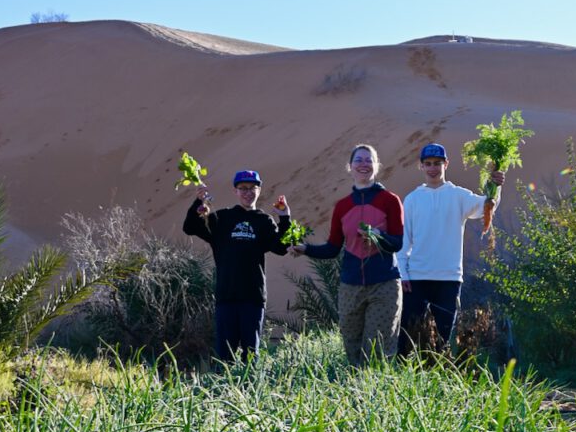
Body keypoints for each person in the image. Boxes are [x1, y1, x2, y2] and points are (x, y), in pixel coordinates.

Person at [289, 144, 403, 365]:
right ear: (350, 166)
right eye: (358, 160)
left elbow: (397, 243)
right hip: (350, 286)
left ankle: (376, 386)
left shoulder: (390, 200)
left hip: (384, 283)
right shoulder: (342, 206)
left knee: (377, 349)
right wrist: (306, 249)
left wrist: (378, 235)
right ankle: (355, 386)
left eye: (369, 160)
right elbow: (332, 248)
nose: (363, 164)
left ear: (377, 165)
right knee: (352, 347)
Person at [397, 142, 505, 356]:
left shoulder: (459, 195)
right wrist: (403, 273)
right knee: (409, 334)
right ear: (421, 166)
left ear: (446, 164)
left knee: (443, 337)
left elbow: (485, 206)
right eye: (428, 163)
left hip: (449, 278)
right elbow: (404, 240)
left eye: (437, 163)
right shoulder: (412, 199)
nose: (433, 168)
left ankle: (438, 372)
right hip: (417, 277)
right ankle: (403, 372)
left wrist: (496, 185)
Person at [183, 169, 291, 362]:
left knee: (250, 356)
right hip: (226, 296)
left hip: (253, 297)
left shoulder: (264, 221)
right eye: (243, 188)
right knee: (225, 357)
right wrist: (198, 202)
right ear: (236, 191)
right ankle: (224, 383)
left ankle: (250, 383)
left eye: (252, 188)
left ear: (259, 190)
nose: (248, 192)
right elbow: (190, 227)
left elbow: (281, 248)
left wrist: (284, 218)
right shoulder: (222, 218)